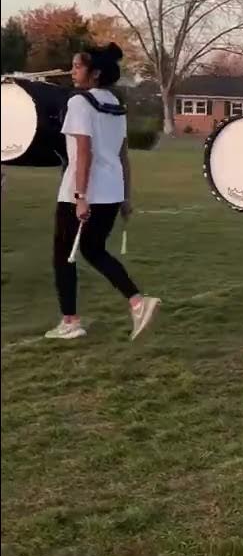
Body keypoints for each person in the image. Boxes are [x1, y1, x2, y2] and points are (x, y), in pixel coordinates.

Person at [45, 44, 160, 341]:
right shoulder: (114, 105)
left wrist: (80, 197)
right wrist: (126, 197)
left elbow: (84, 152)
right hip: (111, 192)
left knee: (63, 256)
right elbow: (122, 156)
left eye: (77, 67)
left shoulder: (79, 103)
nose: (72, 71)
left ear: (94, 73)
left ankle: (70, 321)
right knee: (93, 250)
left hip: (82, 193)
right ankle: (138, 302)